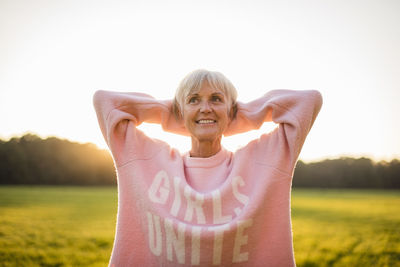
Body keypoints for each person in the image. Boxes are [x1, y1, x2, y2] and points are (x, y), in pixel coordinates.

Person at [93, 69, 322, 267]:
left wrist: (232, 118)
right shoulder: (147, 160)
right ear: (179, 110)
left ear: (232, 110)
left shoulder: (263, 161)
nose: (205, 108)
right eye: (193, 100)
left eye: (215, 99)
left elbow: (309, 100)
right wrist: (176, 115)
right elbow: (105, 101)